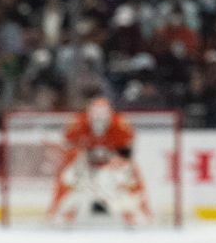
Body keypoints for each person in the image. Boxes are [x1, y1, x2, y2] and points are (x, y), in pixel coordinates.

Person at [46, 96, 153, 227]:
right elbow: (68, 147)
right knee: (66, 178)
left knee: (131, 178)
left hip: (112, 162)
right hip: (85, 162)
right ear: (89, 114)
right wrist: (79, 160)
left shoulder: (120, 124)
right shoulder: (78, 123)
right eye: (96, 117)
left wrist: (115, 164)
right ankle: (61, 213)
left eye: (102, 117)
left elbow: (126, 153)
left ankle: (138, 213)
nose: (99, 121)